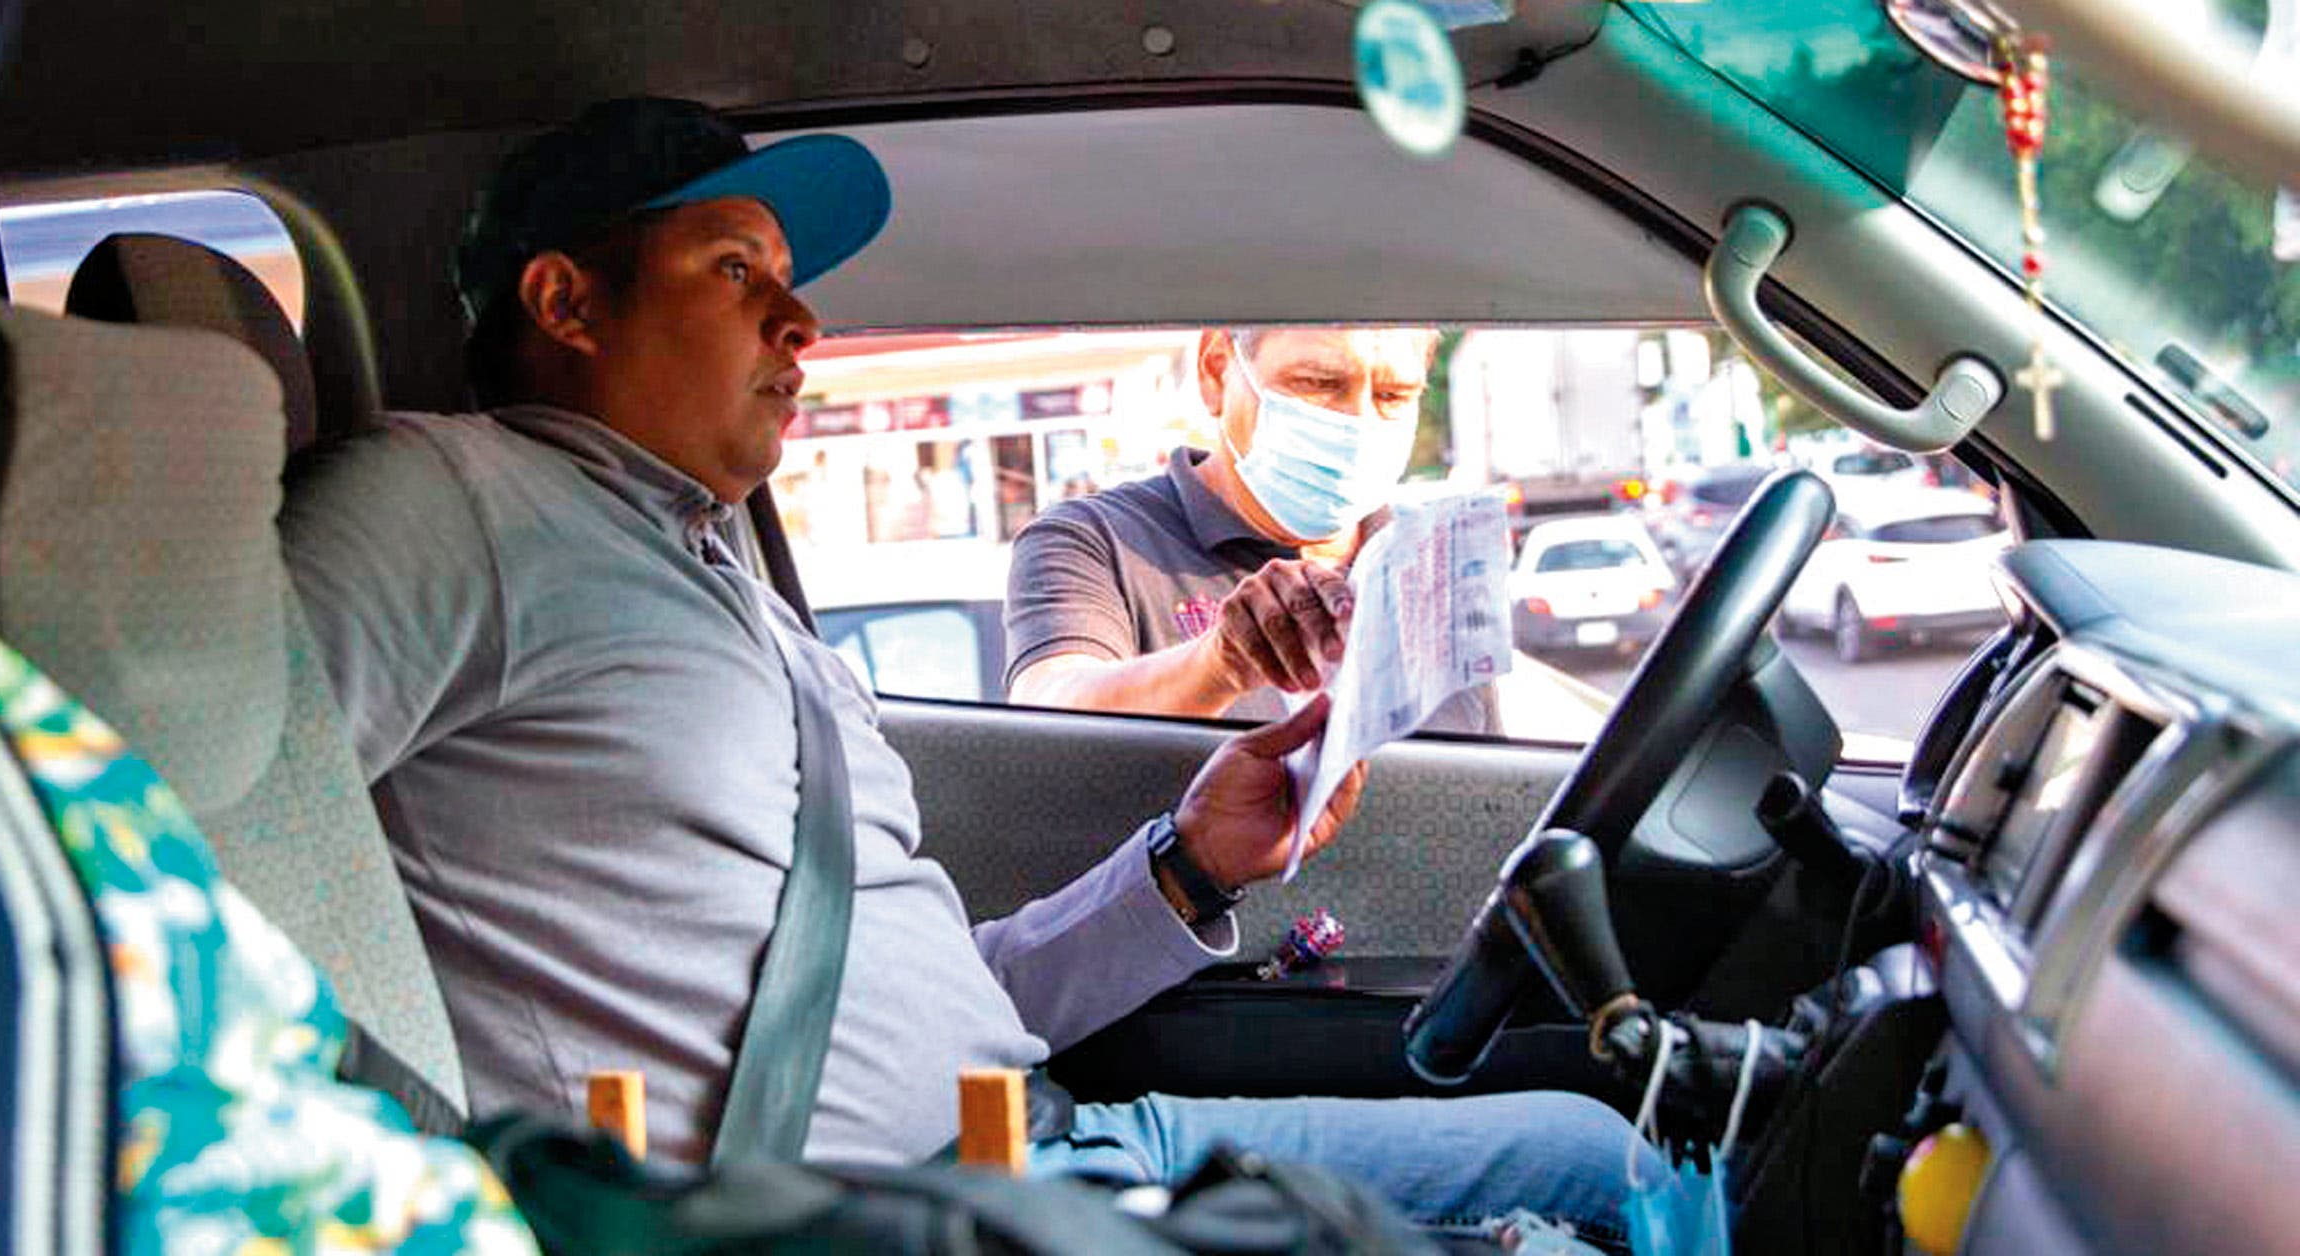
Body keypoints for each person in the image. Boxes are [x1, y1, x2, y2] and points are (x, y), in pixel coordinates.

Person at [279, 97, 1650, 1245]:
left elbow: (932, 989)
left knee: (1605, 1154)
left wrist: (1187, 864)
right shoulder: (445, 505)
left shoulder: (720, 581)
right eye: (738, 271)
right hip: (886, 1215)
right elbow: (206, 832)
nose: (800, 320)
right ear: (566, 301)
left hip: (1044, 1140)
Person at [1005, 327, 1498, 730]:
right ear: (1216, 370)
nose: (1360, 424)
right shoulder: (1098, 541)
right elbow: (1050, 711)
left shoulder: (1430, 562)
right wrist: (1221, 662)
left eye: (1393, 395)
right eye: (1317, 383)